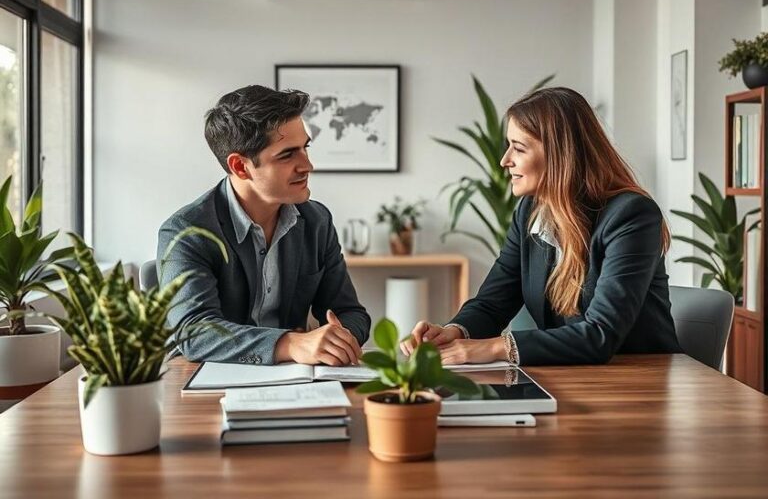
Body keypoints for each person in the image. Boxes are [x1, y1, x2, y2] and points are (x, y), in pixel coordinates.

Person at [402, 87, 681, 366]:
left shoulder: (631, 216)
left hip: (639, 383)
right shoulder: (529, 212)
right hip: (569, 379)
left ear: (561, 155)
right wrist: (453, 333)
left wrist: (494, 348)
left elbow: (600, 334)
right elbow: (492, 303)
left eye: (519, 148)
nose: (505, 160)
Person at [158, 85, 370, 366]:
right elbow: (193, 333)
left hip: (294, 380)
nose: (307, 165)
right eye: (287, 155)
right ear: (240, 166)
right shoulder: (186, 232)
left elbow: (351, 312)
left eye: (305, 148)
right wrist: (291, 344)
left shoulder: (317, 221)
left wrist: (338, 339)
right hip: (207, 382)